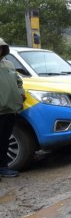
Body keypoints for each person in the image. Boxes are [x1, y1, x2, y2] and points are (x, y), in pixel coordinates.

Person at [0, 38, 24, 178]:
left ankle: (3, 167)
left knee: (4, 139)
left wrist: (21, 93)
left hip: (11, 109)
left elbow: (18, 80)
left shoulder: (8, 64)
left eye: (1, 47)